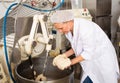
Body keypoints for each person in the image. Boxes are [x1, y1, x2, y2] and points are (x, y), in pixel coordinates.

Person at [50, 10, 120, 83]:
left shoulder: (86, 29)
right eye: (58, 29)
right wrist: (63, 55)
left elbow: (88, 53)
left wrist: (70, 62)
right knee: (90, 78)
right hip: (90, 63)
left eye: (61, 28)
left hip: (102, 60)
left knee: (105, 80)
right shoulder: (68, 30)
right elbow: (77, 46)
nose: (60, 31)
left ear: (69, 21)